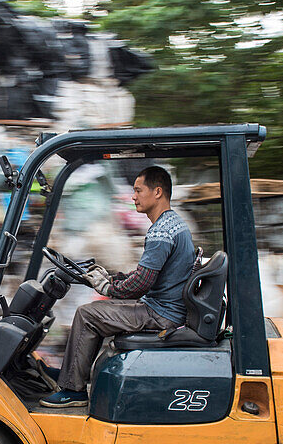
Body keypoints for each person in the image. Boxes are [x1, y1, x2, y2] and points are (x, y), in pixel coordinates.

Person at [40, 165, 195, 408]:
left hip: (160, 314)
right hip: (164, 307)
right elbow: (147, 274)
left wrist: (107, 289)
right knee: (98, 310)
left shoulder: (161, 232)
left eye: (138, 190)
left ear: (157, 192)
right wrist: (113, 278)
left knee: (87, 314)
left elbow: (142, 284)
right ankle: (70, 375)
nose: (133, 196)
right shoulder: (173, 224)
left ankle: (73, 389)